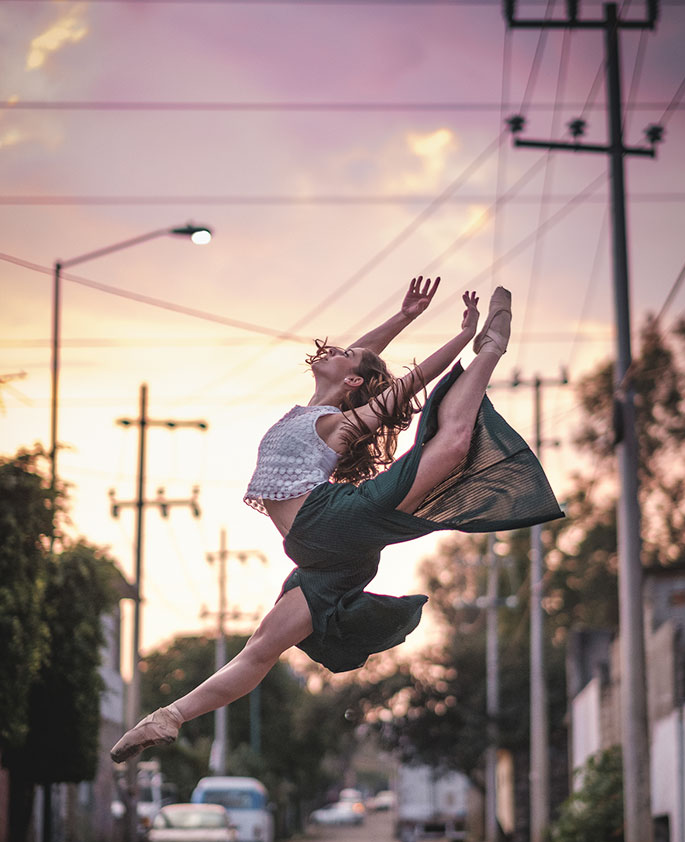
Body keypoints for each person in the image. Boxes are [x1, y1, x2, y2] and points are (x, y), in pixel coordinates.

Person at [111, 278, 563, 763]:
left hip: (335, 522)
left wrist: (462, 340)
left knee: (450, 445)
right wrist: (405, 315)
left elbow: (404, 384)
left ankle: (491, 347)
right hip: (322, 556)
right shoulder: (312, 410)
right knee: (260, 648)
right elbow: (364, 356)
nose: (341, 348)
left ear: (351, 382)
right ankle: (168, 717)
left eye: (346, 355)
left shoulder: (337, 425)